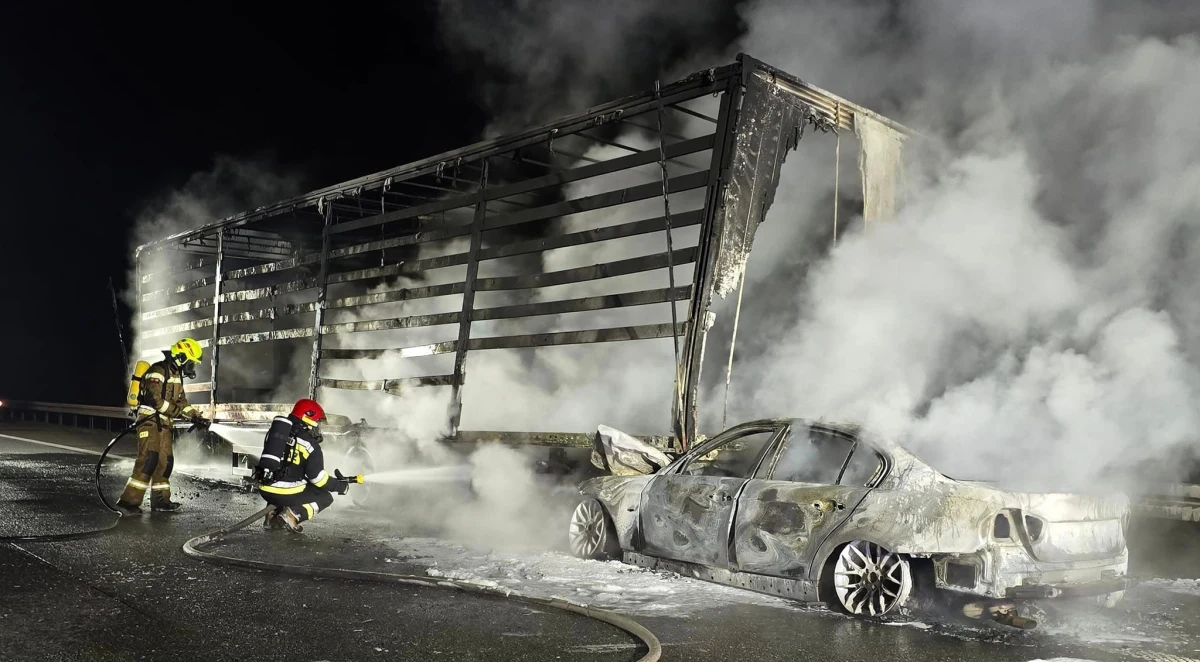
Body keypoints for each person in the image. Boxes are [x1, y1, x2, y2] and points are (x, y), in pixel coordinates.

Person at [116, 338, 209, 514]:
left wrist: (197, 417)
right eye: (191, 362)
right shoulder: (157, 371)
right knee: (149, 459)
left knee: (165, 462)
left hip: (165, 423)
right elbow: (155, 400)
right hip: (149, 420)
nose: (192, 367)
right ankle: (129, 501)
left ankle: (160, 501)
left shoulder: (176, 377)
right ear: (181, 357)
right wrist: (178, 412)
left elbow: (182, 403)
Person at [256, 398, 351, 532]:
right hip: (283, 492)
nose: (317, 426)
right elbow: (318, 479)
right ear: (308, 418)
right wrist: (340, 486)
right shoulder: (310, 443)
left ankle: (272, 518)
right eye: (317, 422)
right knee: (325, 497)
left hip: (265, 489)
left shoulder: (277, 433)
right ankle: (294, 514)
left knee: (294, 482)